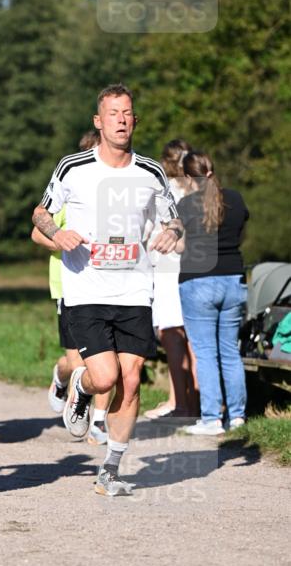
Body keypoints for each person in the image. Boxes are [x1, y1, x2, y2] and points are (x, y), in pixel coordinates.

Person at [32, 84, 183, 497]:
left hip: (134, 288)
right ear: (98, 121)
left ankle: (111, 470)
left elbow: (174, 219)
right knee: (105, 377)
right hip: (86, 288)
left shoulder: (151, 172)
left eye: (127, 113)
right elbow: (40, 213)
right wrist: (58, 234)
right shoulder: (73, 167)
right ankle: (82, 388)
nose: (121, 119)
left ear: (135, 121)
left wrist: (172, 232)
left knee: (131, 381)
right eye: (113, 113)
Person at [31, 132, 111, 445]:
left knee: (106, 356)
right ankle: (61, 378)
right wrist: (62, 241)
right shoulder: (69, 192)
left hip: (106, 285)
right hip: (69, 286)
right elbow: (36, 233)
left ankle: (99, 421)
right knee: (76, 362)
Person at [176, 151, 249, 435]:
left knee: (206, 353)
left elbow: (181, 246)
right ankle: (237, 416)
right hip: (233, 279)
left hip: (198, 282)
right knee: (230, 351)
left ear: (187, 177)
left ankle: (211, 419)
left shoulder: (186, 205)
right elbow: (241, 234)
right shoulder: (236, 199)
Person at [146, 139, 199, 419]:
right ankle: (197, 403)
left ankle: (180, 403)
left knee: (171, 337)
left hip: (168, 269)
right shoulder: (197, 188)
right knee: (194, 339)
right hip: (195, 268)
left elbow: (148, 230)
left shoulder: (162, 189)